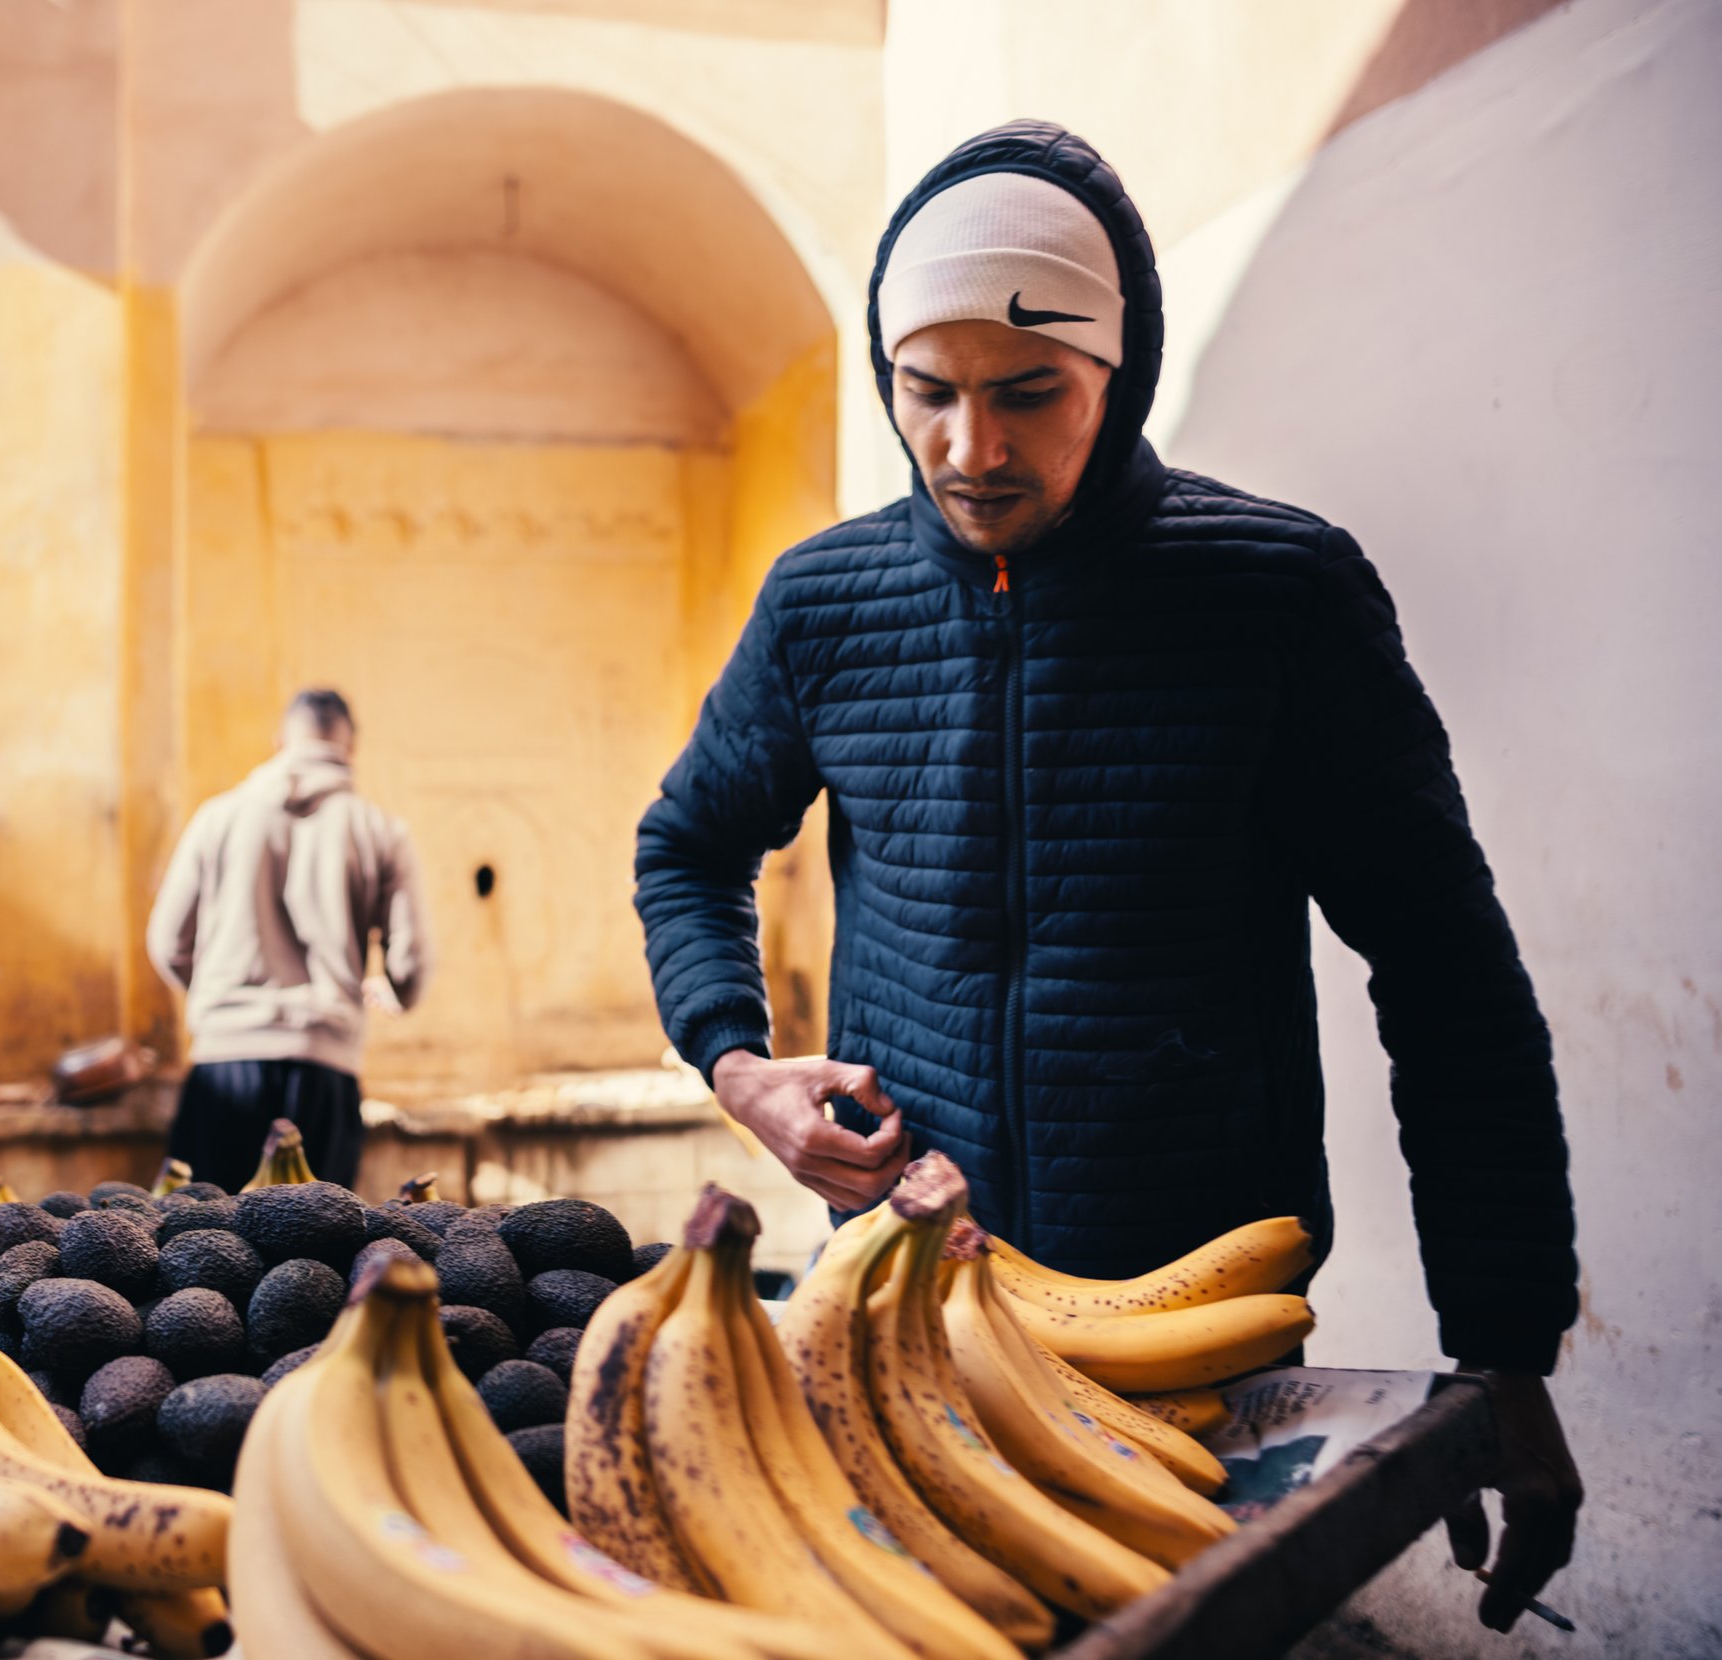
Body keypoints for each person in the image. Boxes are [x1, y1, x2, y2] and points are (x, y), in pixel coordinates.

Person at [634, 121, 1580, 1630]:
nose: (971, 450)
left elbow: (1450, 977)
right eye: (925, 392)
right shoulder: (824, 603)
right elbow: (687, 843)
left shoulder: (1276, 595)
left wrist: (1502, 1357)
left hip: (1195, 1341)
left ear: (1117, 372)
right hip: (899, 1306)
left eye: (1028, 395)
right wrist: (741, 1069)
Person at [147, 688, 429, 1190]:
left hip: (223, 1065)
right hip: (323, 1067)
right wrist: (396, 989)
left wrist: (222, 997)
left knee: (202, 1249)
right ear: (351, 748)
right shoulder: (380, 830)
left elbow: (168, 942)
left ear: (280, 741)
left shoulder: (217, 817)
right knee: (314, 1260)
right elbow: (411, 962)